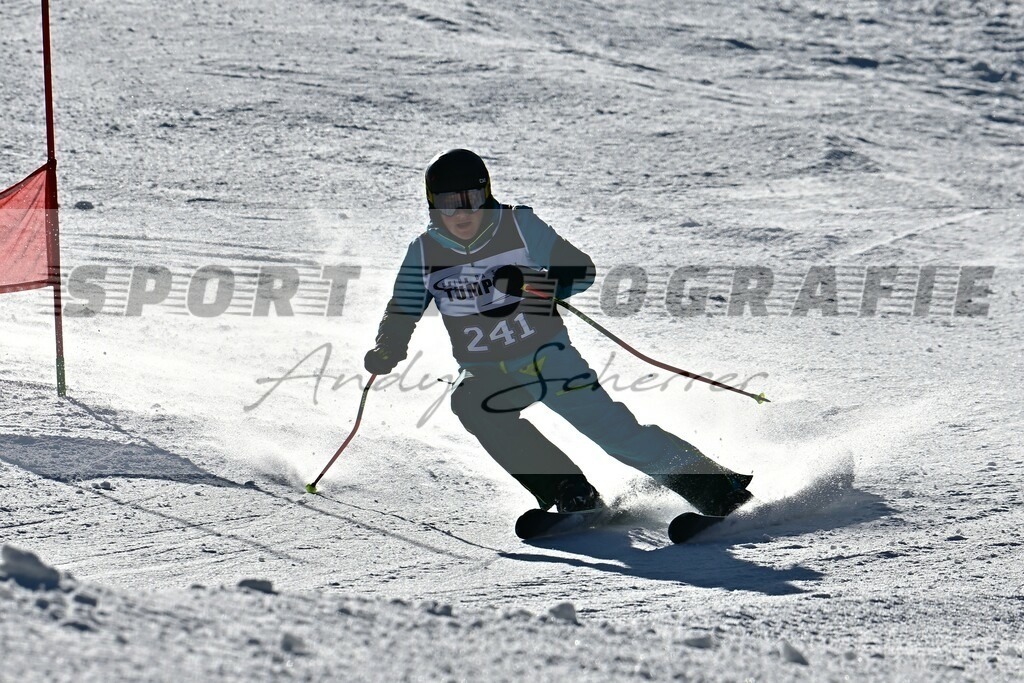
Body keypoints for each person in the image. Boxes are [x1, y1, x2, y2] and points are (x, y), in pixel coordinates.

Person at [364, 149, 751, 517]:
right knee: (470, 403)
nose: (461, 211)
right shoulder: (424, 252)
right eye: (449, 202)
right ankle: (570, 489)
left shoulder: (518, 226)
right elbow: (402, 309)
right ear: (433, 203)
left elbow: (580, 270)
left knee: (615, 435)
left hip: (546, 356)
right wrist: (388, 346)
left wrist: (534, 284)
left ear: (486, 194)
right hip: (485, 369)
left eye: (471, 198)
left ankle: (720, 490)